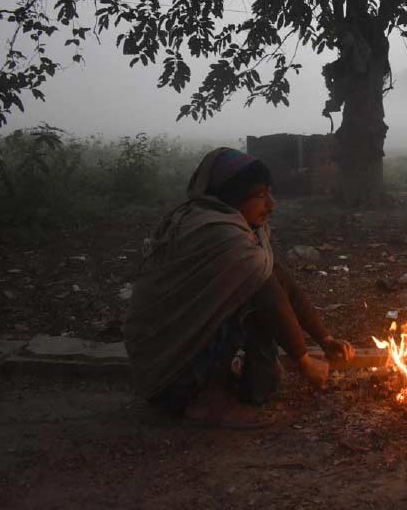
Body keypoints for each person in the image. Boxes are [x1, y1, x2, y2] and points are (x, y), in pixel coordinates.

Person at [124, 148, 355, 429]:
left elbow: (280, 280)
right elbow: (268, 291)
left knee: (264, 362)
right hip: (169, 374)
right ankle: (205, 399)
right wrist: (304, 361)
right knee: (257, 302)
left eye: (270, 192)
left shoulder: (240, 227)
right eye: (259, 195)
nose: (271, 204)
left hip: (175, 364)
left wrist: (324, 338)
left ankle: (226, 383)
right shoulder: (218, 234)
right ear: (231, 196)